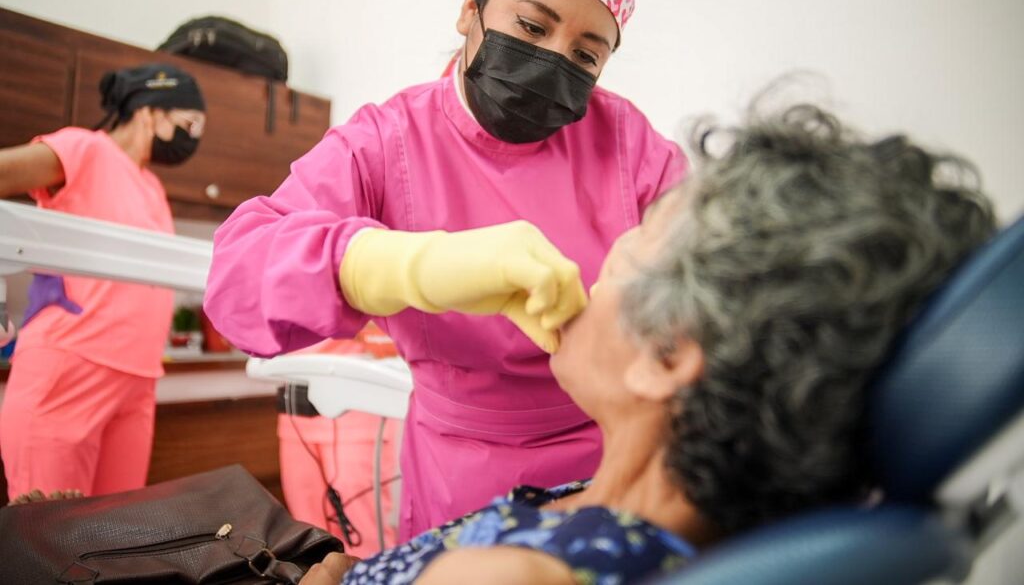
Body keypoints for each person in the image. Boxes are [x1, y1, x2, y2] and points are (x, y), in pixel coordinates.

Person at [293, 102, 996, 584]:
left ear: (666, 353)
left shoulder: (505, 576)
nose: (589, 278)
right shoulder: (663, 523)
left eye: (623, 254)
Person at [204, 0, 686, 539]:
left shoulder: (627, 142)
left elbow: (713, 273)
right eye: (532, 27)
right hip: (464, 476)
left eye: (587, 55)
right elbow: (238, 279)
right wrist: (403, 265)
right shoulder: (385, 141)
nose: (553, 60)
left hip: (620, 459)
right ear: (471, 8)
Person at [0, 63, 207, 499]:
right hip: (71, 368)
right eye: (189, 122)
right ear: (150, 111)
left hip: (137, 382)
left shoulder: (152, 187)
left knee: (115, 543)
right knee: (51, 543)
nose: (194, 135)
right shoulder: (85, 149)